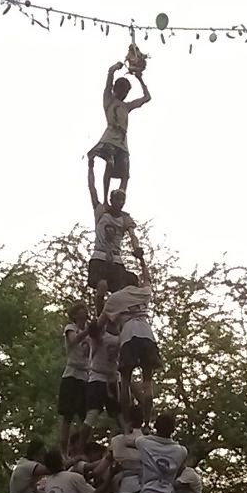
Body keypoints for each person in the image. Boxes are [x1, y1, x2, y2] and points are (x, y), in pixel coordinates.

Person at [97, 255, 162, 428]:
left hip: (128, 336)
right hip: (147, 334)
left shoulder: (115, 298)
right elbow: (147, 279)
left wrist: (100, 300)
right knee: (147, 381)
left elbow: (99, 324)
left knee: (125, 381)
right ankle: (147, 423)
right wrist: (142, 261)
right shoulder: (143, 293)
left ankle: (126, 423)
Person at [87, 60, 151, 206]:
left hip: (122, 141)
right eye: (123, 90)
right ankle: (105, 200)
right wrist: (115, 68)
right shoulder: (109, 99)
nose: (125, 94)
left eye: (127, 91)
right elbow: (109, 79)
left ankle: (120, 199)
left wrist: (140, 78)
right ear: (117, 89)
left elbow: (147, 98)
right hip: (110, 138)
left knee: (125, 174)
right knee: (109, 162)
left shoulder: (126, 106)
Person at [87, 189, 144, 313]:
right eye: (117, 199)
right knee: (102, 285)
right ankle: (99, 315)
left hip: (116, 257)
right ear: (111, 200)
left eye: (122, 200)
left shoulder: (125, 218)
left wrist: (136, 248)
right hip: (100, 255)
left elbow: (132, 235)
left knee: (120, 291)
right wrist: (90, 170)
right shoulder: (101, 212)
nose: (120, 202)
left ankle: (117, 316)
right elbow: (92, 190)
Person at [79, 319, 121, 448]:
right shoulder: (99, 338)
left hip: (110, 379)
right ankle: (80, 448)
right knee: (94, 415)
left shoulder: (116, 338)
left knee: (120, 415)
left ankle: (126, 442)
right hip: (98, 378)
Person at [58, 302, 90, 457]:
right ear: (75, 315)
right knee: (67, 416)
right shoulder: (71, 328)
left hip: (85, 377)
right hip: (71, 375)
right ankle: (64, 452)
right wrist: (87, 332)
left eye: (84, 309)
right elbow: (73, 341)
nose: (83, 312)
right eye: (80, 310)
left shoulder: (90, 332)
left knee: (85, 416)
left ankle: (80, 449)